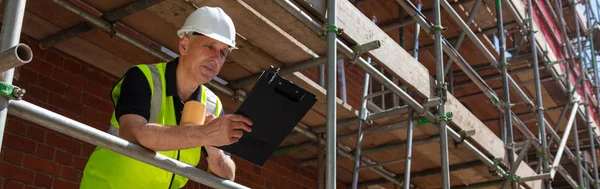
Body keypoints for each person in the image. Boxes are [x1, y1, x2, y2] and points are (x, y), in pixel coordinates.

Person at [80, 6, 252, 189]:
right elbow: (132, 134)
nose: (216, 58)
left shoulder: (213, 106)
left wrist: (213, 148)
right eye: (210, 46)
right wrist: (205, 134)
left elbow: (228, 174)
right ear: (184, 45)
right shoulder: (143, 77)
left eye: (223, 53)